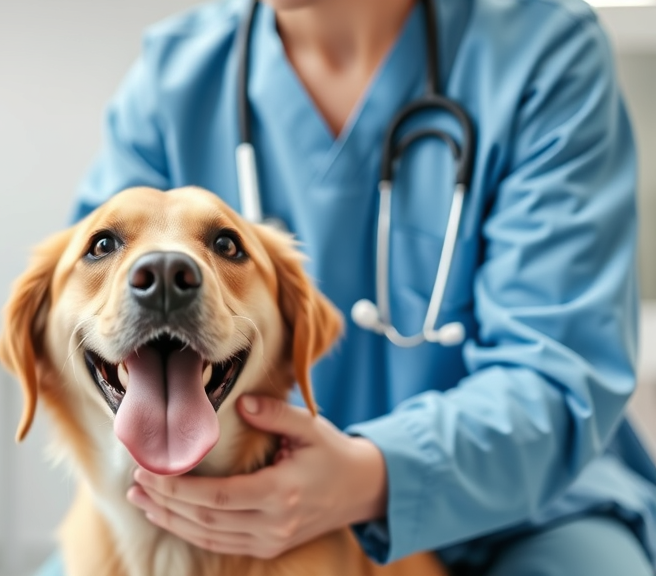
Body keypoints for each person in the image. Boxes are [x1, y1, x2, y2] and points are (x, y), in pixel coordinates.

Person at [40, 0, 656, 574]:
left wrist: (371, 475)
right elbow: (91, 314)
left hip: (525, 506)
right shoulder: (176, 76)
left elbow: (557, 368)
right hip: (236, 506)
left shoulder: (540, 50)